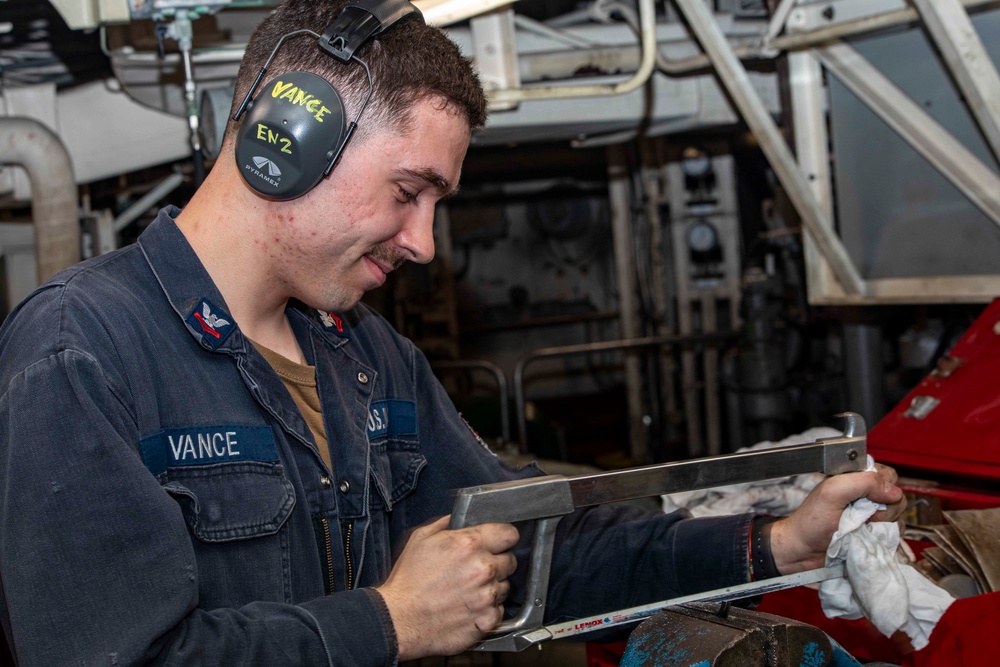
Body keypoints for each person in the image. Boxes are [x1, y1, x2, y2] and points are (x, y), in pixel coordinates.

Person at [0, 0, 905, 664]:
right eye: (408, 192)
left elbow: (540, 544)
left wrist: (777, 543)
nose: (424, 243)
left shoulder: (367, 357)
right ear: (290, 134)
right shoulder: (82, 351)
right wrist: (389, 621)